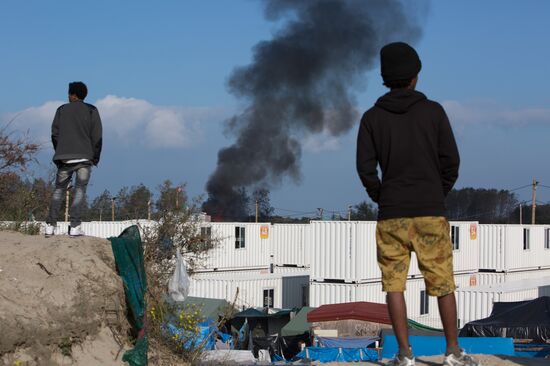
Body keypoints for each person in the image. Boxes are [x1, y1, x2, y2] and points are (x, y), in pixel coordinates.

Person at [356, 42, 477, 366]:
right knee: (442, 283)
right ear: (415, 76)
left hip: (391, 215)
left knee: (394, 285)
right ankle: (452, 352)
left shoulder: (371, 118)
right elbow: (451, 161)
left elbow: (365, 168)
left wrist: (381, 196)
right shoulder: (433, 112)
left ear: (384, 77)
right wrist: (437, 194)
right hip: (429, 212)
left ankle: (404, 355)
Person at [45, 81, 102, 237]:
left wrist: (60, 151)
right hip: (84, 158)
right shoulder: (92, 110)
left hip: (64, 158)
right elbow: (97, 136)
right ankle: (75, 227)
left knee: (59, 190)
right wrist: (95, 157)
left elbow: (54, 134)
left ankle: (50, 226)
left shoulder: (61, 110)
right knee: (79, 191)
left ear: (73, 95)